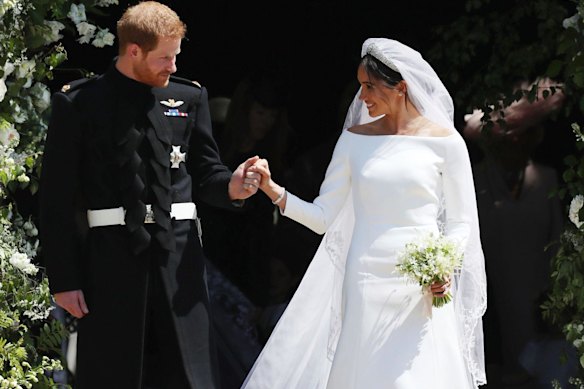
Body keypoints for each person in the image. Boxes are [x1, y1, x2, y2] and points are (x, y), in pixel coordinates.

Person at [241, 38, 487, 389]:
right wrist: (273, 191)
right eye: (360, 86)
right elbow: (324, 216)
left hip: (422, 284)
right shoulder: (353, 140)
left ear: (400, 87)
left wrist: (444, 265)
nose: (362, 97)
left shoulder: (446, 142)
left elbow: (462, 221)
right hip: (366, 278)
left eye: (369, 86)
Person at [38, 2, 260, 389]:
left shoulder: (188, 97)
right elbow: (55, 200)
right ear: (133, 51)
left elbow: (206, 171)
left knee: (192, 376)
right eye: (164, 58)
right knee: (112, 375)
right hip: (111, 260)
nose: (172, 67)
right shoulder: (79, 102)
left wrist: (232, 185)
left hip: (180, 260)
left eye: (176, 57)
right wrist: (64, 278)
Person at [463, 80, 565, 387]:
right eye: (509, 139)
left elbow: (559, 238)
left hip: (541, 298)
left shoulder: (546, 179)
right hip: (494, 299)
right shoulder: (476, 182)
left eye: (522, 138)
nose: (515, 145)